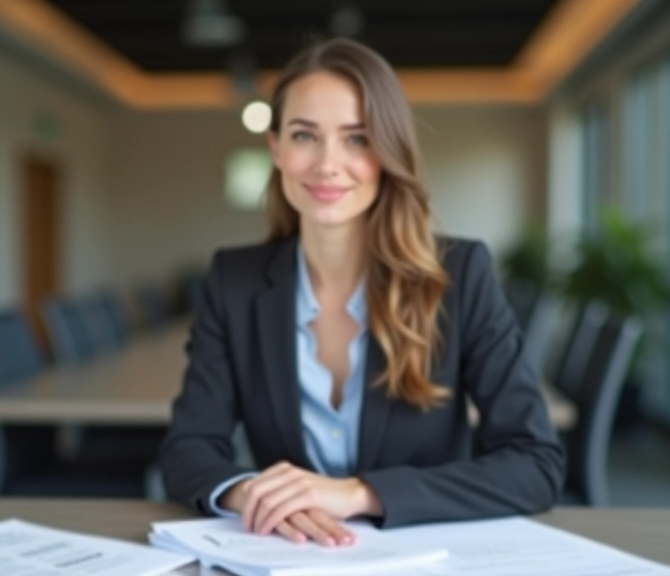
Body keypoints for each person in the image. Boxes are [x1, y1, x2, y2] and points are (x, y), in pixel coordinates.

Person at [158, 38, 564, 546]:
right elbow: (187, 449)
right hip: (288, 558)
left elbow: (535, 464)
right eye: (305, 136)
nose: (328, 164)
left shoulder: (461, 276)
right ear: (276, 148)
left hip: (427, 556)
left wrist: (357, 494)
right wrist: (252, 494)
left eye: (357, 139)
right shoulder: (232, 281)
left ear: (389, 151)